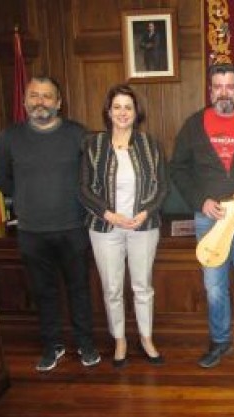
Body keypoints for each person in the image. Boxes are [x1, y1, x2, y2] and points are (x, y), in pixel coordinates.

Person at [0, 75, 100, 371]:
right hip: (31, 232)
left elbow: (92, 176)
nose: (40, 101)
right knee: (43, 291)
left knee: (79, 289)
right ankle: (52, 346)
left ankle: (85, 344)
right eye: (34, 95)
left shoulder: (78, 134)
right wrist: (32, 199)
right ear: (26, 101)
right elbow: (2, 180)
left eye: (47, 96)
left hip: (73, 228)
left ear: (59, 103)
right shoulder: (8, 138)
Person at [170, 63, 234, 370]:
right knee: (214, 284)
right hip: (209, 218)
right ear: (210, 89)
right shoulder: (193, 125)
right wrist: (199, 200)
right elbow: (178, 168)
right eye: (218, 86)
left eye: (230, 86)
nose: (224, 92)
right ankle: (219, 341)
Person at [79, 84, 168, 368]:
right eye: (116, 107)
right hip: (105, 228)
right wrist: (109, 214)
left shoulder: (149, 144)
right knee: (112, 288)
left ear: (136, 112)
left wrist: (144, 212)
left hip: (143, 225)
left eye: (128, 107)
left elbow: (162, 186)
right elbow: (82, 189)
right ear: (108, 111)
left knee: (143, 287)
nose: (122, 112)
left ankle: (146, 337)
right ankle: (120, 339)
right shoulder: (93, 144)